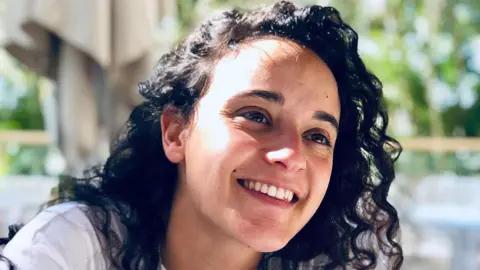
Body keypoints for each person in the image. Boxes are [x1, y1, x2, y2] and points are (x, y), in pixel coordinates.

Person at [0, 1, 403, 269]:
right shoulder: (75, 247)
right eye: (256, 115)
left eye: (317, 136)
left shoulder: (330, 262)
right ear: (176, 132)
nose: (290, 154)